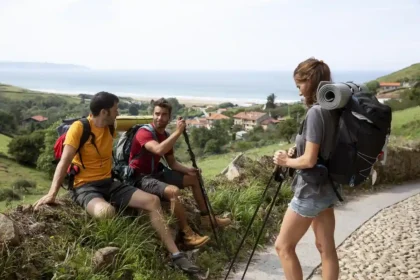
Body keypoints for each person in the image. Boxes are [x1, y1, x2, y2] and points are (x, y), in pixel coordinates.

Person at [33, 92, 201, 274]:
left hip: (108, 182)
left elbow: (139, 122)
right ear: (104, 112)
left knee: (152, 201)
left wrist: (161, 119)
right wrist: (52, 194)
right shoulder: (79, 128)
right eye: (116, 109)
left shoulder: (110, 125)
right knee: (107, 212)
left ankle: (176, 254)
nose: (118, 113)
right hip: (84, 187)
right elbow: (64, 162)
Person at [128, 98, 232, 248]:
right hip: (140, 178)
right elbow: (158, 150)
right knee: (173, 191)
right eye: (157, 114)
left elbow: (172, 163)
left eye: (164, 114)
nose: (159, 117)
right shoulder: (143, 132)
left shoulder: (165, 135)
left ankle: (207, 217)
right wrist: (178, 132)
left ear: (169, 117)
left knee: (194, 178)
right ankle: (187, 234)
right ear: (152, 114)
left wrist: (188, 170)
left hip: (156, 173)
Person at [272, 58, 340, 280]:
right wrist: (297, 149)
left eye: (300, 85)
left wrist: (285, 161)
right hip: (328, 187)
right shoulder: (333, 108)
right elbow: (322, 148)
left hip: (310, 190)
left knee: (283, 246)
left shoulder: (315, 113)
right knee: (325, 248)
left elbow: (309, 160)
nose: (300, 92)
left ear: (310, 81)